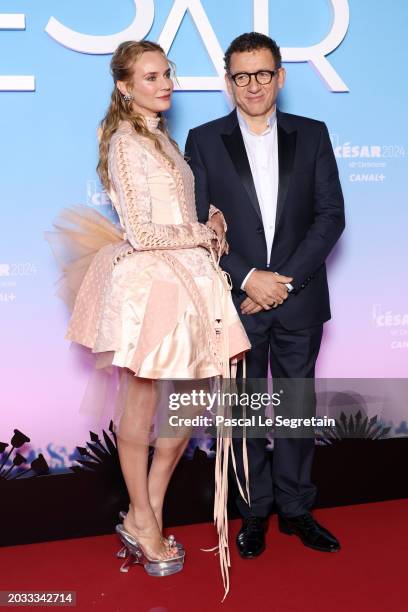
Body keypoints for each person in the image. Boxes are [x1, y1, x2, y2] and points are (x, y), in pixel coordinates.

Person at [46, 40, 250, 590]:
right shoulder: (123, 143)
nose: (164, 84)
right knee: (142, 400)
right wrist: (200, 233)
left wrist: (207, 217)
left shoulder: (159, 137)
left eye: (167, 74)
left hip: (186, 280)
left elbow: (173, 210)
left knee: (184, 402)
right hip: (152, 284)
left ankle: (146, 512)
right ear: (124, 86)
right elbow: (142, 232)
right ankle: (141, 512)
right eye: (151, 76)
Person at [185, 32, 345, 559]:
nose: (252, 85)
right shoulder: (204, 140)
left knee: (298, 408)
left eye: (262, 73)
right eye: (240, 75)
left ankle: (297, 509)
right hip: (237, 301)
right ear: (227, 82)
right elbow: (196, 228)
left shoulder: (314, 134)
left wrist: (280, 283)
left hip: (297, 298)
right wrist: (248, 277)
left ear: (280, 76)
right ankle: (254, 512)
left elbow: (329, 218)